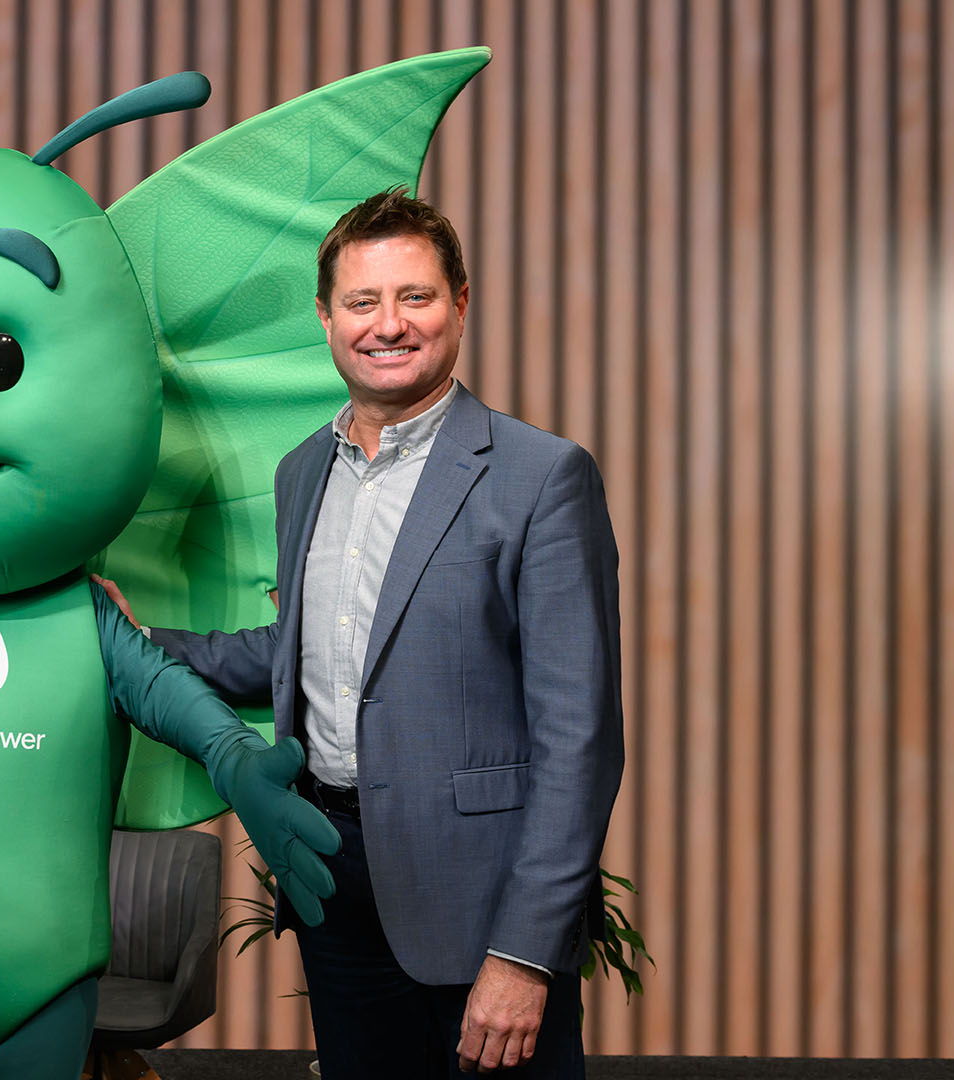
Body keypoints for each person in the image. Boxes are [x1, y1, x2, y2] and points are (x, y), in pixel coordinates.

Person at [97, 188, 623, 1077]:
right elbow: (305, 656)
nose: (389, 324)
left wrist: (526, 953)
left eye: (414, 296)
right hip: (333, 877)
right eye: (362, 301)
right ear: (326, 317)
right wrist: (146, 640)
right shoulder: (305, 470)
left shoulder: (541, 478)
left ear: (460, 302)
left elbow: (580, 741)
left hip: (478, 898)